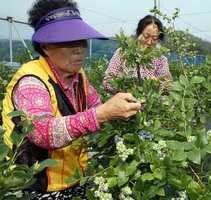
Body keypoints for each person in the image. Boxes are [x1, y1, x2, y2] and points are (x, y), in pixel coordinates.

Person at [1, 0, 141, 199]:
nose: (79, 49)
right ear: (46, 46)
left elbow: (96, 106)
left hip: (75, 177)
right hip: (40, 187)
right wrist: (102, 114)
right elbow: (43, 133)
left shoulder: (78, 77)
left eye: (81, 40)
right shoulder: (31, 82)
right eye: (68, 42)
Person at [102, 14, 173, 94]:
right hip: (124, 104)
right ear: (138, 34)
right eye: (146, 37)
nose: (149, 42)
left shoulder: (160, 59)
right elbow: (107, 80)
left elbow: (168, 86)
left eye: (154, 39)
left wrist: (157, 83)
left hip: (149, 105)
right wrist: (125, 89)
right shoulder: (123, 52)